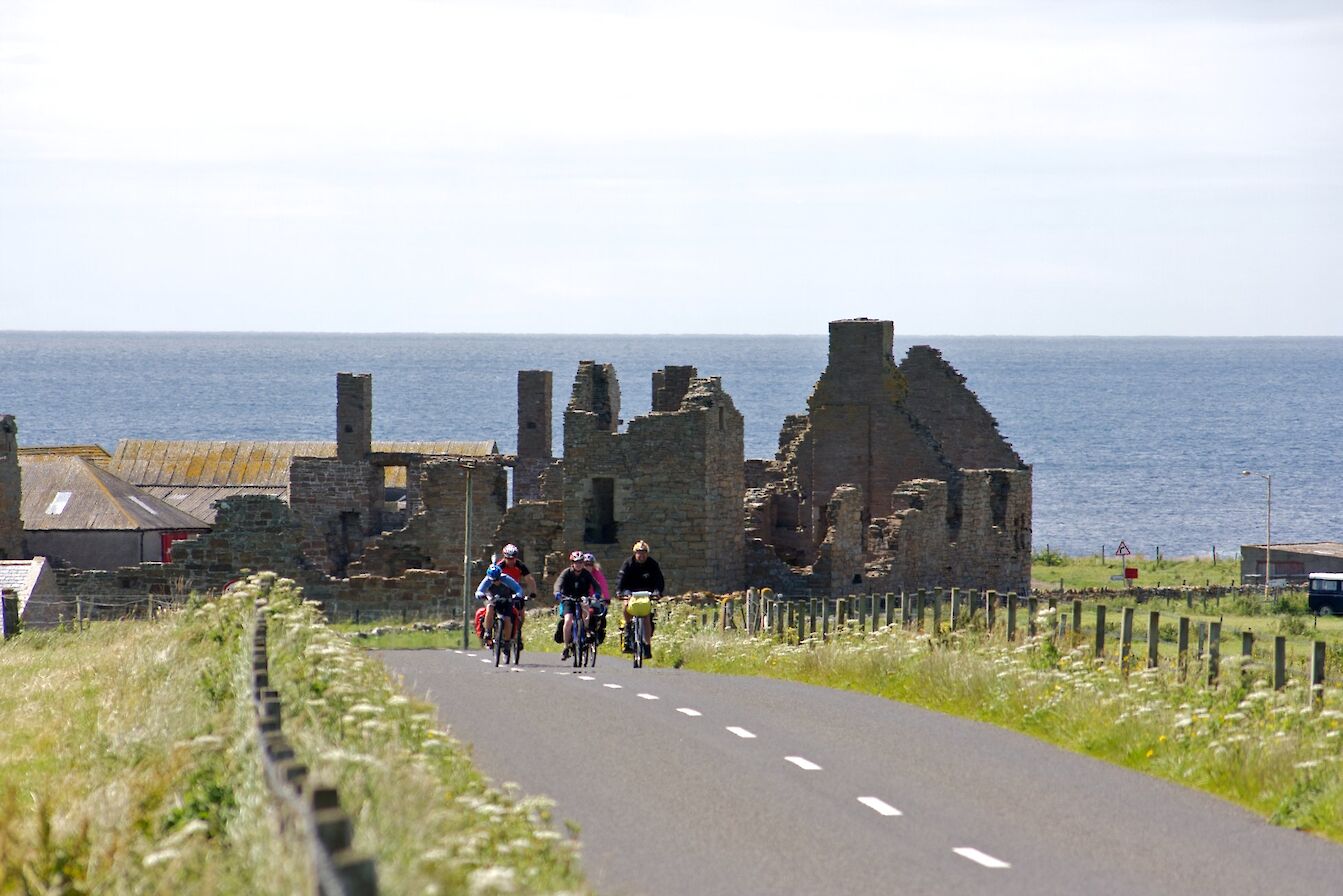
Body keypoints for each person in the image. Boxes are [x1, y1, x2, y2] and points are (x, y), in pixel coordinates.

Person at [616, 540, 664, 658]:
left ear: (647, 553)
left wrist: (657, 592)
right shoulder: (628, 563)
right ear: (634, 553)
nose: (641, 555)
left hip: (646, 592)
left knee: (646, 616)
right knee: (626, 605)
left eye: (643, 553)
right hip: (630, 590)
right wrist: (619, 592)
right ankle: (628, 627)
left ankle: (647, 646)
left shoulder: (652, 564)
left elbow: (659, 580)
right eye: (638, 553)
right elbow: (621, 579)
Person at [554, 550, 603, 660]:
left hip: (582, 598)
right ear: (572, 563)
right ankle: (566, 647)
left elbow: (596, 585)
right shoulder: (566, 573)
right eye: (576, 562)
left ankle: (586, 630)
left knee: (586, 610)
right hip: (568, 599)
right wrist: (557, 592)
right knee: (568, 620)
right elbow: (558, 583)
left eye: (581, 562)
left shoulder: (586, 574)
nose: (579, 564)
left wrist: (597, 594)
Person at [475, 564, 525, 648]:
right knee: (489, 607)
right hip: (492, 600)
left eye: (497, 579)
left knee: (507, 619)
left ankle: (507, 642)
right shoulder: (487, 580)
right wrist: (480, 595)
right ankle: (488, 632)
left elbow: (518, 589)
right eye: (493, 580)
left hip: (506, 600)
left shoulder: (506, 579)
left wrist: (518, 596)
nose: (496, 582)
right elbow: (479, 591)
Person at [582, 552, 610, 643]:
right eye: (585, 564)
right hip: (581, 598)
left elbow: (603, 586)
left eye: (590, 564)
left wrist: (606, 598)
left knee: (600, 613)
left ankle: (599, 633)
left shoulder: (597, 574)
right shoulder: (578, 573)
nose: (588, 567)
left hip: (594, 598)